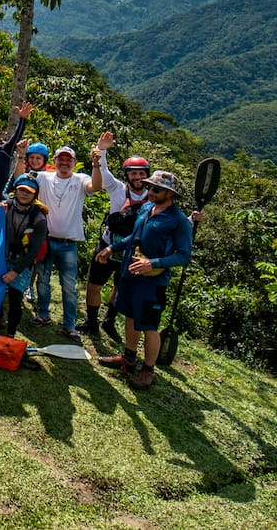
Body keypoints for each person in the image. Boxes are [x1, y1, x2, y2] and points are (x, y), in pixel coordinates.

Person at [96, 170, 200, 390]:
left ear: (170, 194)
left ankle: (148, 369)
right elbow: (133, 237)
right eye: (149, 187)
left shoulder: (178, 221)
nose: (150, 191)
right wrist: (112, 248)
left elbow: (183, 255)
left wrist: (152, 263)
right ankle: (129, 357)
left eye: (155, 189)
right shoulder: (146, 208)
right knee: (130, 317)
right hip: (129, 273)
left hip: (152, 282)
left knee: (149, 325)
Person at [31, 138, 108, 342]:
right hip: (45, 239)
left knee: (69, 286)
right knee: (43, 281)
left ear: (74, 163)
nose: (64, 163)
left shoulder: (80, 179)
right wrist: (21, 155)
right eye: (61, 159)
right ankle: (43, 314)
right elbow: (21, 180)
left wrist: (96, 164)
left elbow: (97, 187)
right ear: (54, 161)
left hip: (68, 243)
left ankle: (69, 325)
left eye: (68, 160)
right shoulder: (43, 177)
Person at [78, 150, 152, 340]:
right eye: (133, 173)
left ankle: (109, 321)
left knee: (119, 287)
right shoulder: (118, 188)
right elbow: (104, 171)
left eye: (141, 173)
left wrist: (192, 219)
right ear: (127, 175)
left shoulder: (153, 197)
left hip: (132, 251)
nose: (137, 177)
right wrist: (101, 150)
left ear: (147, 175)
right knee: (94, 284)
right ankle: (92, 322)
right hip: (108, 243)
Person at [0, 175, 49, 338]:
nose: (24, 194)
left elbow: (34, 251)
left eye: (29, 191)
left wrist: (15, 272)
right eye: (21, 190)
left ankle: (11, 334)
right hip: (1, 258)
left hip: (22, 263)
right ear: (15, 190)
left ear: (35, 194)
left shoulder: (39, 218)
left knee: (15, 299)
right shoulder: (4, 208)